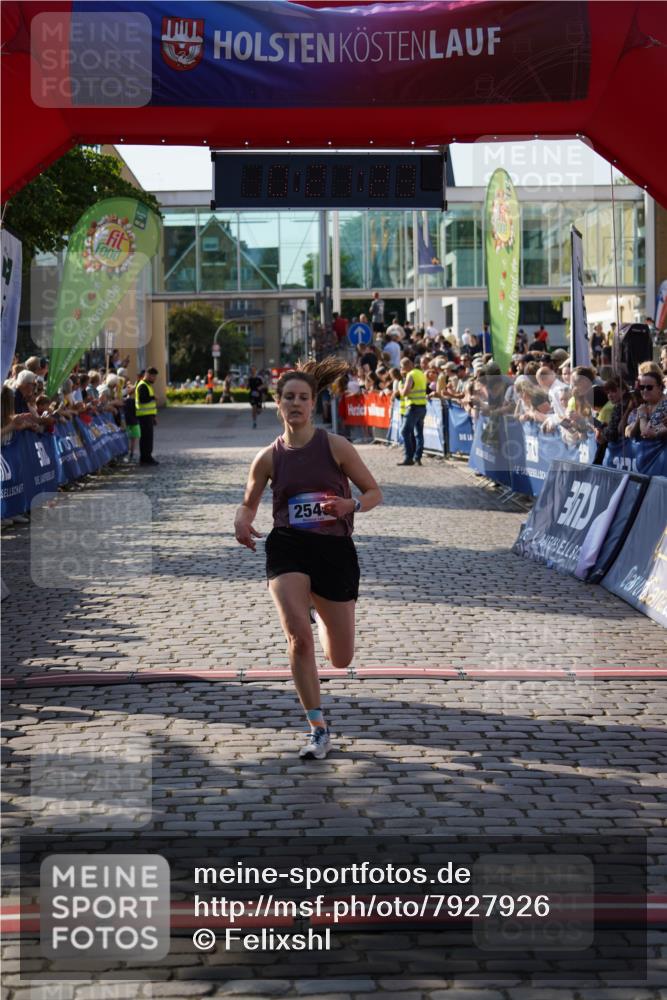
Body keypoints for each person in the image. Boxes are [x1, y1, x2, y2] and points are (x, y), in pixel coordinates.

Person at [234, 359, 382, 760]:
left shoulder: (336, 447)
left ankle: (317, 605)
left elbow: (373, 493)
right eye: (288, 398)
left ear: (313, 404)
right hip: (288, 546)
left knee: (340, 658)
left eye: (303, 397)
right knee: (297, 636)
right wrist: (242, 522)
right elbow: (248, 505)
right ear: (277, 404)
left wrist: (350, 504)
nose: (295, 404)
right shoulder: (267, 457)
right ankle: (317, 726)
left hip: (334, 550)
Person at [397, 356, 427, 466]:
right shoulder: (421, 373)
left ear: (406, 366)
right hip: (422, 407)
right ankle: (417, 457)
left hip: (413, 407)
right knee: (419, 434)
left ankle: (408, 457)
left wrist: (400, 388)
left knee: (405, 432)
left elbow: (405, 392)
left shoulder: (411, 375)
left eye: (402, 367)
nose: (402, 370)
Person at [135, 367, 159, 465]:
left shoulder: (147, 385)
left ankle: (147, 457)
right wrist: (153, 397)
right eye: (154, 377)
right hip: (143, 416)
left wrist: (153, 416)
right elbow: (143, 399)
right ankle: (145, 458)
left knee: (148, 438)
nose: (155, 379)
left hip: (148, 415)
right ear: (148, 375)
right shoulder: (142, 385)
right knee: (146, 438)